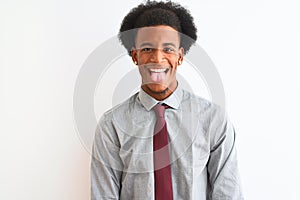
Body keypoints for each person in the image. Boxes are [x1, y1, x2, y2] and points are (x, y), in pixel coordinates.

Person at [91, 1, 244, 199]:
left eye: (168, 49)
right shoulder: (112, 125)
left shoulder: (213, 119)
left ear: (180, 56)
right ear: (134, 55)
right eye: (147, 49)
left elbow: (228, 193)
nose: (158, 58)